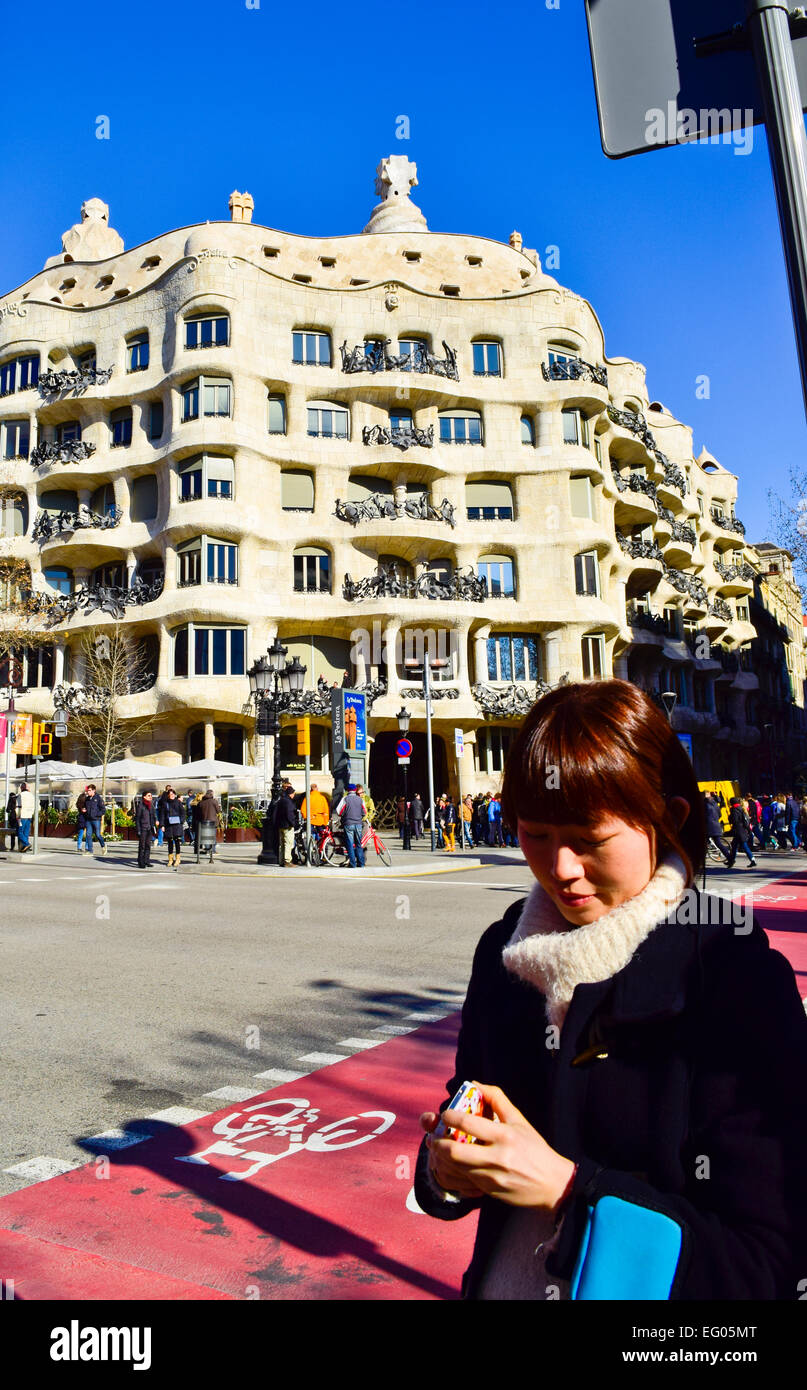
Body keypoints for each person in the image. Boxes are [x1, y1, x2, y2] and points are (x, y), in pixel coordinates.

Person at [415, 679, 807, 1301]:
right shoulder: (502, 953)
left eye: (590, 840)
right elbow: (464, 1107)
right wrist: (446, 1170)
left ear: (668, 818)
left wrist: (571, 1193)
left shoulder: (733, 977)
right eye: (535, 834)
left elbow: (765, 1260)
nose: (561, 868)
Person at [337, 783, 366, 867]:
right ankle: (361, 863)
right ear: (355, 790)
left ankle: (353, 864)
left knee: (350, 843)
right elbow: (364, 812)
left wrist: (345, 815)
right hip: (358, 824)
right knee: (358, 844)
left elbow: (339, 811)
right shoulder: (360, 799)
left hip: (348, 824)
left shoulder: (345, 799)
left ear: (348, 790)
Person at [726, 797, 757, 869]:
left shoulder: (734, 810)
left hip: (738, 831)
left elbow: (734, 821)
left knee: (744, 846)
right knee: (734, 846)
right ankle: (731, 860)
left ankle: (752, 860)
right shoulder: (741, 808)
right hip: (743, 830)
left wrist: (730, 818)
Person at [160, 788, 185, 867]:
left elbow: (183, 813)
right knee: (170, 842)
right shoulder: (165, 803)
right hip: (168, 825)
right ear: (168, 795)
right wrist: (162, 825)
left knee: (177, 841)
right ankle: (170, 859)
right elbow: (162, 815)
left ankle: (178, 858)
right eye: (170, 794)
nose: (172, 795)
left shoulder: (178, 802)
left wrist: (180, 821)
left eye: (173, 794)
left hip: (177, 825)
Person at [276, 784, 298, 866]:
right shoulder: (289, 802)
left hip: (280, 825)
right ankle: (287, 861)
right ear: (290, 794)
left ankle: (281, 860)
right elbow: (289, 814)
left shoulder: (281, 800)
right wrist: (293, 823)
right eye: (293, 793)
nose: (294, 795)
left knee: (282, 844)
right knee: (288, 843)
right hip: (287, 826)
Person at [195, 788, 220, 856]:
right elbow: (218, 811)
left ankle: (207, 850)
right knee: (213, 836)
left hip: (204, 821)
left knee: (206, 836)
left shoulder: (201, 802)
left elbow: (198, 812)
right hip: (213, 821)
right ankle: (213, 850)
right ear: (212, 794)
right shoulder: (214, 801)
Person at [84, 784, 107, 856]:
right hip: (88, 820)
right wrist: (84, 810)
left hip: (96, 820)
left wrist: (96, 814)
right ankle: (90, 851)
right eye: (87, 790)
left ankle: (103, 846)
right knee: (88, 835)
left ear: (94, 790)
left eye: (89, 790)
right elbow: (85, 807)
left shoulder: (98, 798)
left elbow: (103, 810)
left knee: (97, 835)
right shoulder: (87, 799)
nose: (88, 792)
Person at [136, 791, 157, 868]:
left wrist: (154, 824)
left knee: (148, 845)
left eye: (151, 795)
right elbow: (137, 819)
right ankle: (140, 861)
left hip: (150, 828)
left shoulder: (151, 805)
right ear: (144, 797)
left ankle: (146, 860)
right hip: (143, 828)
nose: (150, 797)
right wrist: (138, 829)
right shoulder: (140, 805)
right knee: (142, 846)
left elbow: (154, 816)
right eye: (149, 795)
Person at [16, 782, 35, 853]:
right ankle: (25, 848)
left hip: (22, 816)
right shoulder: (32, 795)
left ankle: (27, 844)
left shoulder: (20, 795)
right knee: (26, 833)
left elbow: (18, 806)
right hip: (29, 816)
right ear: (28, 788)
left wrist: (17, 816)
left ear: (22, 788)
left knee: (19, 832)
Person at [75, 786, 91, 853]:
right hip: (86, 818)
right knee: (87, 834)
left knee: (81, 833)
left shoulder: (79, 803)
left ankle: (79, 847)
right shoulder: (85, 804)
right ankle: (87, 847)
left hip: (81, 818)